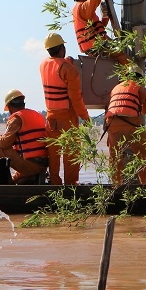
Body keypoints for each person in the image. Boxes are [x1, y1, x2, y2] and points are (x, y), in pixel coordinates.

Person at [41, 32, 91, 185]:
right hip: (67, 118)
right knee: (71, 154)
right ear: (62, 48)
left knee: (54, 155)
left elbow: (55, 65)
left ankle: (55, 184)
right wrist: (86, 117)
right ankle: (70, 185)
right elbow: (76, 98)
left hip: (51, 118)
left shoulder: (43, 65)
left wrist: (66, 61)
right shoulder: (69, 70)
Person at [104, 70, 146, 185]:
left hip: (112, 124)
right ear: (140, 79)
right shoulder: (141, 89)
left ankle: (116, 185)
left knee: (115, 156)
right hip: (131, 124)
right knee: (143, 155)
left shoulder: (116, 88)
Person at [0, 90, 50, 184]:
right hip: (43, 166)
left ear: (9, 107)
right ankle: (23, 178)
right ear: (23, 103)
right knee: (16, 180)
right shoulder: (37, 115)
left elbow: (4, 144)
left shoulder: (16, 119)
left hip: (31, 165)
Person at [70, 0, 130, 64]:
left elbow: (98, 29)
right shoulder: (82, 8)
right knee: (123, 57)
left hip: (94, 47)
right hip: (97, 46)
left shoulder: (80, 11)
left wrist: (105, 17)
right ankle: (135, 76)